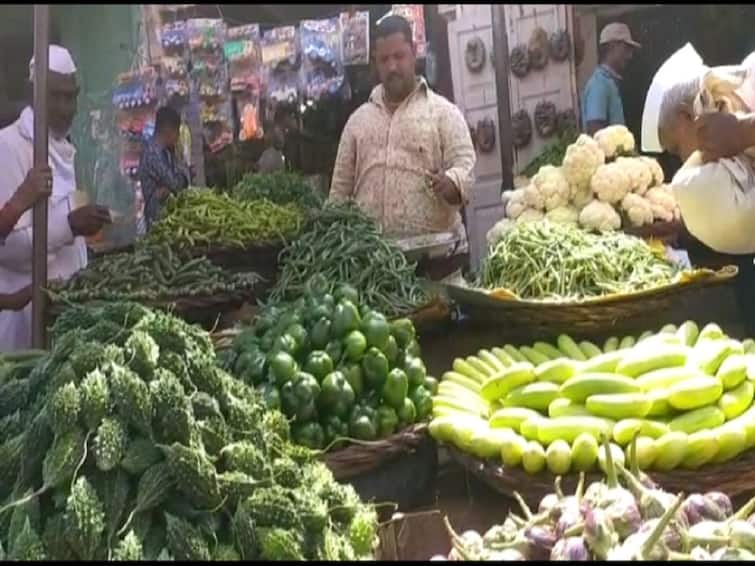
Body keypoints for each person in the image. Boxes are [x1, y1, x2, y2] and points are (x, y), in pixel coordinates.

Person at [329, 14, 475, 257]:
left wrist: (450, 183)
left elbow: (466, 170)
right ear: (375, 62)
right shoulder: (357, 122)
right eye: (384, 59)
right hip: (374, 266)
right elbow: (338, 194)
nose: (392, 67)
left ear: (414, 52)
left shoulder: (443, 112)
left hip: (437, 260)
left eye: (399, 56)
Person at [0, 45, 111, 351]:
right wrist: (69, 226)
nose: (65, 108)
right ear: (32, 93)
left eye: (71, 96)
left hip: (66, 316)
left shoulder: (63, 146)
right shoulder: (8, 147)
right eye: (55, 96)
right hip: (24, 323)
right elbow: (6, 247)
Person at [581, 23, 641, 135]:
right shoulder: (599, 84)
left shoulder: (609, 82)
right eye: (626, 49)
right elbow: (595, 130)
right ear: (612, 46)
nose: (629, 56)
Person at [138, 106, 189, 230]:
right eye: (177, 133)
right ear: (168, 131)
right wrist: (182, 178)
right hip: (158, 222)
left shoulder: (166, 152)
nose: (177, 138)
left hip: (169, 220)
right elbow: (176, 184)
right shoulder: (152, 153)